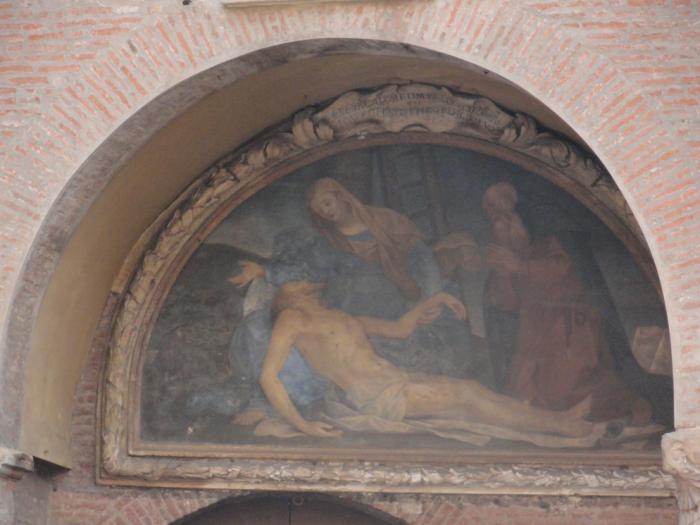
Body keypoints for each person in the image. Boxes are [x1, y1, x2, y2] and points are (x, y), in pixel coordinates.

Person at [230, 178, 486, 424]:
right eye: (319, 210)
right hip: (347, 305)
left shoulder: (387, 221)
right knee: (259, 327)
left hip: (389, 302)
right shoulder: (328, 242)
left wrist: (432, 296)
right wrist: (265, 270)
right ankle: (271, 404)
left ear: (342, 196)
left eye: (327, 203)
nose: (326, 212)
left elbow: (423, 259)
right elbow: (307, 272)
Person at [260, 280, 598, 439]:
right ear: (292, 297)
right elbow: (268, 376)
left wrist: (436, 298)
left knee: (471, 390)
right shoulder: (292, 318)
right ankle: (561, 425)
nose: (303, 280)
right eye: (295, 283)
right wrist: (303, 425)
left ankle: (556, 419)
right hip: (378, 395)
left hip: (397, 380)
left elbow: (400, 329)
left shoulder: (343, 317)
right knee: (467, 397)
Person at [481, 182, 653, 424]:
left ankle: (631, 407)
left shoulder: (548, 245)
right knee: (525, 392)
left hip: (569, 329)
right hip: (533, 336)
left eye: (509, 222)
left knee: (564, 389)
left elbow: (560, 275)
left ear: (525, 222)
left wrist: (519, 267)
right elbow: (506, 303)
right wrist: (503, 273)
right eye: (497, 224)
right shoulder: (510, 259)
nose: (504, 231)